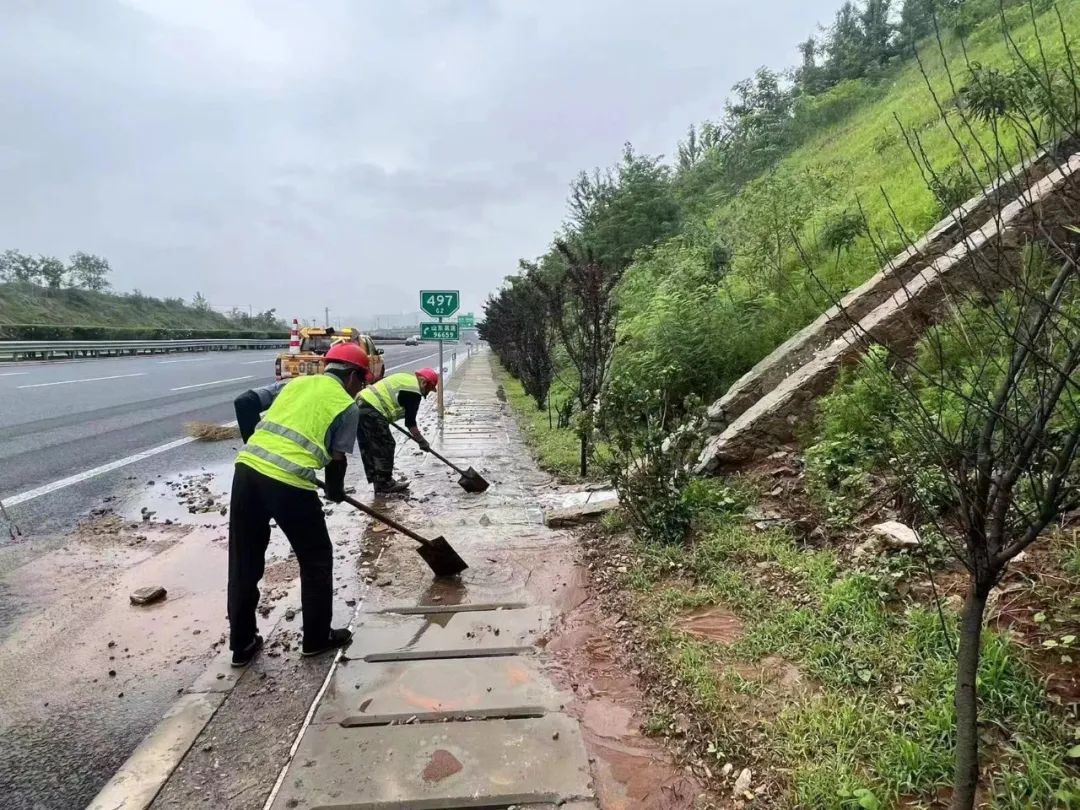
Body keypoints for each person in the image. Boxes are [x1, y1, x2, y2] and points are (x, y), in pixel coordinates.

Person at [227, 342, 371, 667]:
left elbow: (245, 402)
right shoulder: (347, 407)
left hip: (247, 472)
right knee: (316, 557)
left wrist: (253, 443)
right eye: (361, 382)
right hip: (289, 484)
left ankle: (242, 644)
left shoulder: (295, 383)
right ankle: (316, 638)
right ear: (351, 377)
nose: (360, 389)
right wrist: (335, 491)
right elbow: (336, 461)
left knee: (244, 562)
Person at [355, 367, 439, 494]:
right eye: (428, 390)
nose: (427, 394)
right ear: (424, 383)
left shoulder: (405, 378)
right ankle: (385, 483)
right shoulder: (414, 392)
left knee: (369, 446)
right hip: (372, 409)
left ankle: (378, 482)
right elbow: (410, 423)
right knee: (386, 444)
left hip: (360, 403)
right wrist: (422, 441)